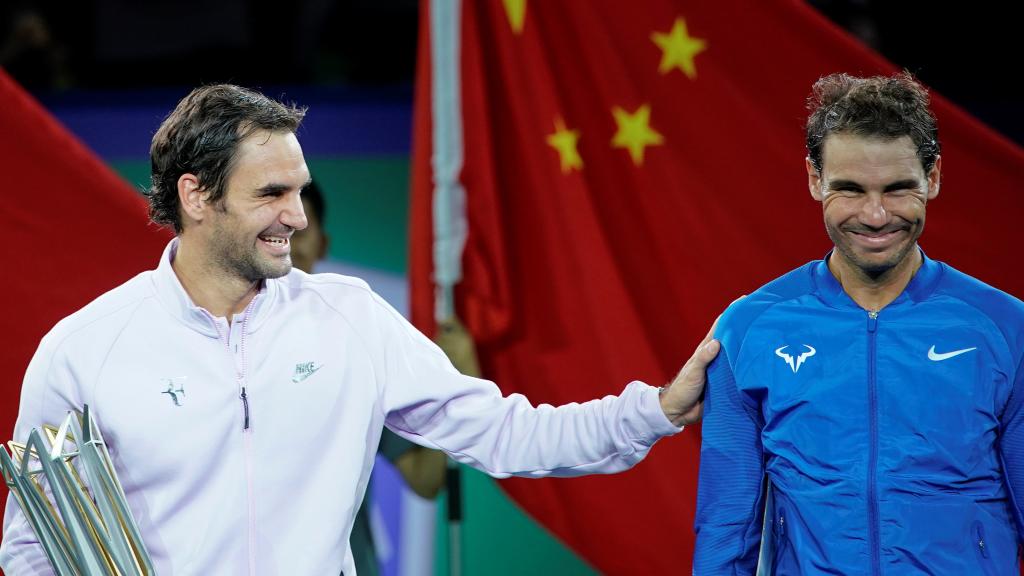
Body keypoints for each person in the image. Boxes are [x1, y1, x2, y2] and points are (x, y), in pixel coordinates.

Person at [0, 84, 719, 575]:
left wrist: (654, 410)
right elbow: (32, 547)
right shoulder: (83, 350)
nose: (299, 218)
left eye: (300, 191)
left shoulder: (351, 319)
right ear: (196, 195)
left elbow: (510, 433)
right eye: (271, 194)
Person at [693, 72, 1024, 574]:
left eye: (897, 189)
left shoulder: (1005, 327)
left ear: (932, 178)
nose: (874, 215)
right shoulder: (749, 329)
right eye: (849, 189)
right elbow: (725, 527)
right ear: (813, 178)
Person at [290, 180, 447, 576]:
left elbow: (426, 479)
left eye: (302, 231)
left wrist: (452, 376)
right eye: (280, 231)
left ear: (323, 244)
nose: (289, 244)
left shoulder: (353, 345)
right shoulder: (221, 348)